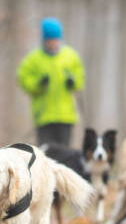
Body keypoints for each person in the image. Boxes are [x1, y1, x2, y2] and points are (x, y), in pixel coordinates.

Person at [17, 17, 85, 147]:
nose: (52, 43)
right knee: (45, 152)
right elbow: (23, 79)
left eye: (55, 39)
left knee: (65, 151)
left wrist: (73, 82)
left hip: (66, 116)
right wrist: (38, 84)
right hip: (44, 116)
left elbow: (80, 79)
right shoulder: (34, 58)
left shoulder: (70, 56)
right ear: (44, 40)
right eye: (49, 40)